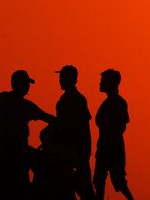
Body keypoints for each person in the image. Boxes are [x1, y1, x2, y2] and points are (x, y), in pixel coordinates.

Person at [0, 69, 55, 199]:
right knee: (35, 165)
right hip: (16, 150)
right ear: (20, 85)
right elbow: (46, 117)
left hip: (3, 147)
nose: (28, 87)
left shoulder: (3, 98)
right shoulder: (25, 105)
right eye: (26, 84)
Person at [93, 69, 134, 200]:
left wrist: (110, 140)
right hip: (105, 147)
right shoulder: (109, 102)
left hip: (113, 148)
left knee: (118, 181)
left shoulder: (119, 103)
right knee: (99, 181)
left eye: (103, 81)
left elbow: (121, 126)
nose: (100, 83)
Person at [55, 65, 95, 200]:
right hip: (73, 147)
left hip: (74, 148)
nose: (60, 80)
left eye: (62, 78)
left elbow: (83, 126)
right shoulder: (73, 99)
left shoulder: (73, 100)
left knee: (83, 185)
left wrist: (85, 150)